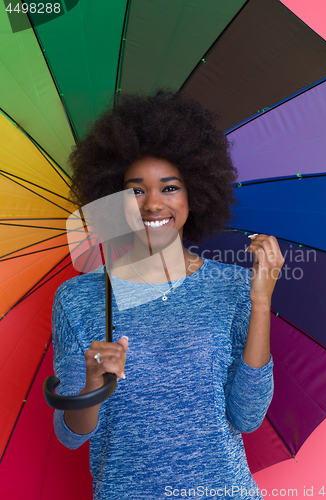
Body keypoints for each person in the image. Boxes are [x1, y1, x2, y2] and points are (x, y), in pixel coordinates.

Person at [52, 90, 284, 500]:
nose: (153, 204)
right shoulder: (80, 298)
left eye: (170, 188)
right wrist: (92, 382)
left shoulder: (232, 287)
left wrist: (260, 302)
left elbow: (247, 417)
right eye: (136, 190)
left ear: (194, 194)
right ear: (112, 199)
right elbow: (71, 436)